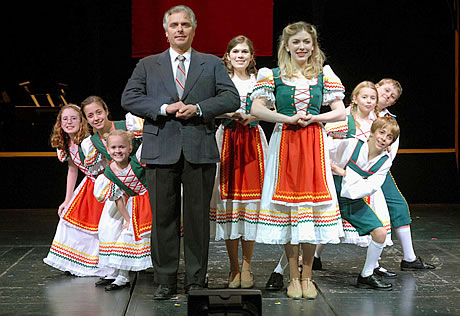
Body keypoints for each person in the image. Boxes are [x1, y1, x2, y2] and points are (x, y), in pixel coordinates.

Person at [121, 5, 239, 299]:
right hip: (161, 148)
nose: (180, 29)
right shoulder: (149, 64)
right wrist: (163, 108)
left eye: (185, 24)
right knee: (163, 218)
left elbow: (231, 97)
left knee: (198, 219)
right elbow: (129, 97)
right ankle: (166, 279)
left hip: (198, 147)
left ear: (193, 29)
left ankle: (196, 279)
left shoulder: (210, 63)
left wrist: (199, 109)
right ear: (166, 31)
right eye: (174, 25)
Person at [250, 21, 346, 299]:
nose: (302, 47)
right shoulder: (274, 75)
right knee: (290, 215)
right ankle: (293, 277)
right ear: (287, 46)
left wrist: (315, 118)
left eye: (307, 42)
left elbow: (340, 112)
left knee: (310, 214)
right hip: (285, 144)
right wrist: (285, 118)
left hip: (313, 144)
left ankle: (308, 277)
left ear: (313, 46)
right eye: (297, 42)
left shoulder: (323, 75)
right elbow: (256, 107)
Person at [209, 35, 268, 289]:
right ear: (228, 56)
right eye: (236, 51)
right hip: (227, 139)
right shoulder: (221, 81)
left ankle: (247, 266)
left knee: (251, 204)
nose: (240, 55)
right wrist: (230, 113)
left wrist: (253, 115)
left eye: (245, 51)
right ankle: (233, 267)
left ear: (251, 56)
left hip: (253, 139)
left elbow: (269, 108)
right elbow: (209, 108)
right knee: (229, 204)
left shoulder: (260, 81)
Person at [80, 95, 144, 287]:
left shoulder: (128, 124)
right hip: (120, 184)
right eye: (90, 115)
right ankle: (115, 271)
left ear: (107, 111)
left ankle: (126, 273)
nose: (96, 118)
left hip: (141, 183)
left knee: (131, 231)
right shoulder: (92, 142)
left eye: (99, 112)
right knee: (107, 227)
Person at [329, 116, 400, 290]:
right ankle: (281, 271)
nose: (384, 138)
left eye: (389, 137)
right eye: (381, 133)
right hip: (330, 194)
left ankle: (366, 275)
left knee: (380, 233)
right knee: (308, 232)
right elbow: (326, 150)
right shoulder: (353, 145)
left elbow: (370, 187)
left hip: (352, 200)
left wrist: (345, 174)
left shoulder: (384, 161)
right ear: (373, 132)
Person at [375, 79, 435, 271]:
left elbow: (390, 153)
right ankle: (313, 256)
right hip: (348, 168)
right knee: (335, 209)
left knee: (398, 206)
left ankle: (409, 258)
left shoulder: (390, 122)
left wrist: (377, 170)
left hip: (377, 169)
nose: (387, 96)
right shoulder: (355, 108)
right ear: (376, 87)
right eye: (385, 91)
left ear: (393, 103)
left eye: (392, 96)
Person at [43, 104, 110, 277]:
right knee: (69, 219)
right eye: (65, 119)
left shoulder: (89, 141)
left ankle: (102, 265)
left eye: (73, 118)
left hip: (104, 184)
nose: (69, 122)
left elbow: (111, 161)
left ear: (81, 121)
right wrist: (67, 199)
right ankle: (77, 262)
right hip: (89, 184)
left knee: (101, 227)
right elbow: (72, 170)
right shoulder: (66, 143)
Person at [93, 130, 152, 291]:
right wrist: (127, 219)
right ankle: (122, 276)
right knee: (126, 236)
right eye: (113, 147)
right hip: (135, 205)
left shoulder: (137, 162)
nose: (117, 151)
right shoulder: (109, 172)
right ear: (107, 148)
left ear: (130, 148)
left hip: (152, 200)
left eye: (122, 147)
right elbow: (118, 199)